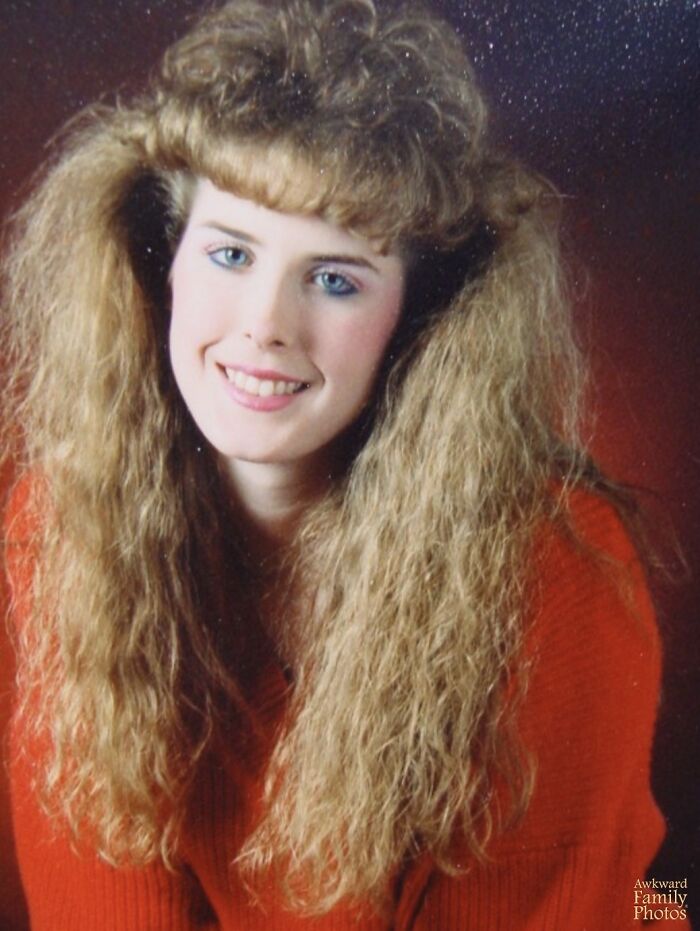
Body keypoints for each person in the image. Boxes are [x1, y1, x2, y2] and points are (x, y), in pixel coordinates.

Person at [1, 1, 685, 928]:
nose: (265, 325)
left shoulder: (557, 576)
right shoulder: (56, 529)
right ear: (165, 259)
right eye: (231, 252)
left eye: (335, 278)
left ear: (414, 313)